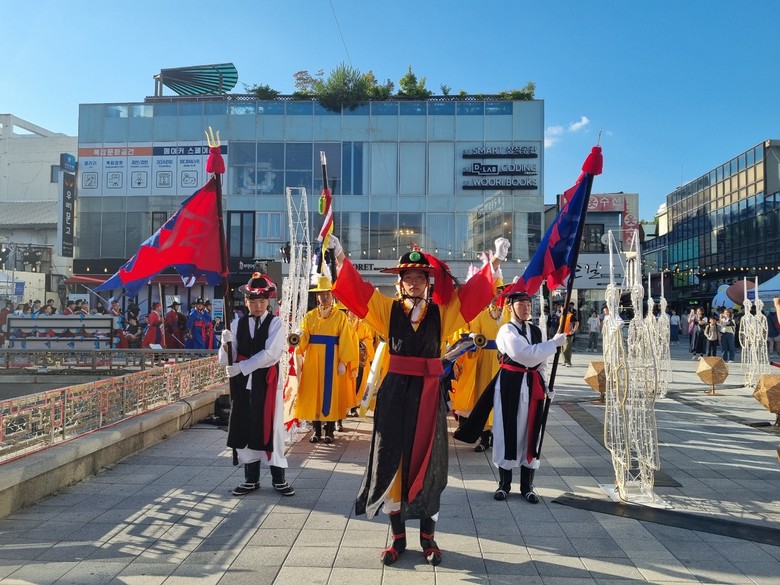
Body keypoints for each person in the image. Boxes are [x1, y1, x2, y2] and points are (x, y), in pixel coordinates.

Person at [332, 235, 507, 567]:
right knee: (392, 460)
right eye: (408, 277)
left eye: (420, 277)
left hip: (428, 393)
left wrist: (495, 263)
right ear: (400, 283)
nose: (414, 282)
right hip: (395, 393)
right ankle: (398, 539)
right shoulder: (386, 310)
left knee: (429, 463)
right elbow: (359, 293)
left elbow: (471, 297)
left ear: (428, 282)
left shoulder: (442, 313)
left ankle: (428, 538)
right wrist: (340, 257)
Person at [455, 289, 566, 504]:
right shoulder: (507, 330)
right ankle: (504, 484)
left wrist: (545, 385)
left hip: (532, 385)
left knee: (532, 431)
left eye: (528, 304)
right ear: (510, 307)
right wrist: (553, 344)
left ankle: (527, 486)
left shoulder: (535, 330)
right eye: (521, 304)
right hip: (510, 384)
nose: (526, 308)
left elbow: (541, 363)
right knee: (506, 431)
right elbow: (524, 355)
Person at [218, 273, 295, 497]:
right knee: (245, 424)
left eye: (262, 301)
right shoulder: (236, 324)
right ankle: (250, 478)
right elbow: (228, 357)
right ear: (246, 302)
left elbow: (271, 354)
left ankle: (279, 478)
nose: (258, 306)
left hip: (267, 382)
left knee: (272, 427)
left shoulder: (276, 323)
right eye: (253, 301)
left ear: (268, 301)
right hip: (243, 383)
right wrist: (225, 344)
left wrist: (242, 367)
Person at [294, 275, 358, 444]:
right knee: (314, 393)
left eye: (327, 293)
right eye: (321, 294)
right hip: (313, 359)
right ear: (317, 296)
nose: (324, 297)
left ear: (332, 295)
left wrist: (343, 361)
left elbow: (346, 339)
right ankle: (316, 430)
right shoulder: (309, 316)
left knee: (331, 394)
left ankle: (329, 431)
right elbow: (304, 336)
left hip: (332, 358)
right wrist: (298, 339)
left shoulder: (340, 316)